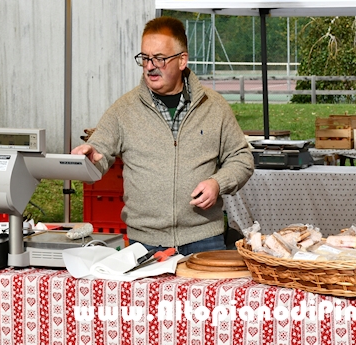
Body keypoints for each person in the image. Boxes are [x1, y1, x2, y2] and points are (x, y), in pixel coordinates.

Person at [72, 17, 254, 255]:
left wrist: (217, 183)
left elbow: (241, 158)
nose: (150, 66)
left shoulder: (214, 106)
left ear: (182, 60)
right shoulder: (123, 109)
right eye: (145, 58)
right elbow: (99, 150)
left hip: (205, 239)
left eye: (159, 58)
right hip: (144, 244)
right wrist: (90, 159)